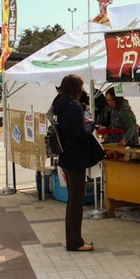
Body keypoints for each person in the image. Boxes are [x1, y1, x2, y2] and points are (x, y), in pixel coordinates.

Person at [51, 74, 95, 252]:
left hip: (66, 156)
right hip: (76, 157)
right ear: (76, 88)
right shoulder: (74, 106)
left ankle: (73, 240)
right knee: (76, 200)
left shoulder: (59, 106)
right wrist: (90, 125)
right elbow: (81, 133)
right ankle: (75, 242)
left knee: (72, 200)